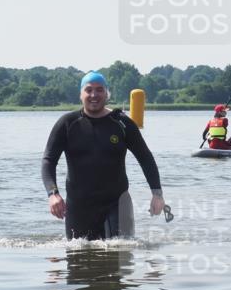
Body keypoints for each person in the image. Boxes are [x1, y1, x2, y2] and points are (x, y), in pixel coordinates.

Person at [42, 71, 165, 240]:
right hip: (79, 206)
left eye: (99, 90)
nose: (94, 95)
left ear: (107, 93)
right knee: (78, 258)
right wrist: (53, 194)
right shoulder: (68, 124)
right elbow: (49, 160)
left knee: (121, 253)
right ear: (81, 94)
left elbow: (145, 158)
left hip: (117, 204)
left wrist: (157, 195)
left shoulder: (122, 123)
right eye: (89, 90)